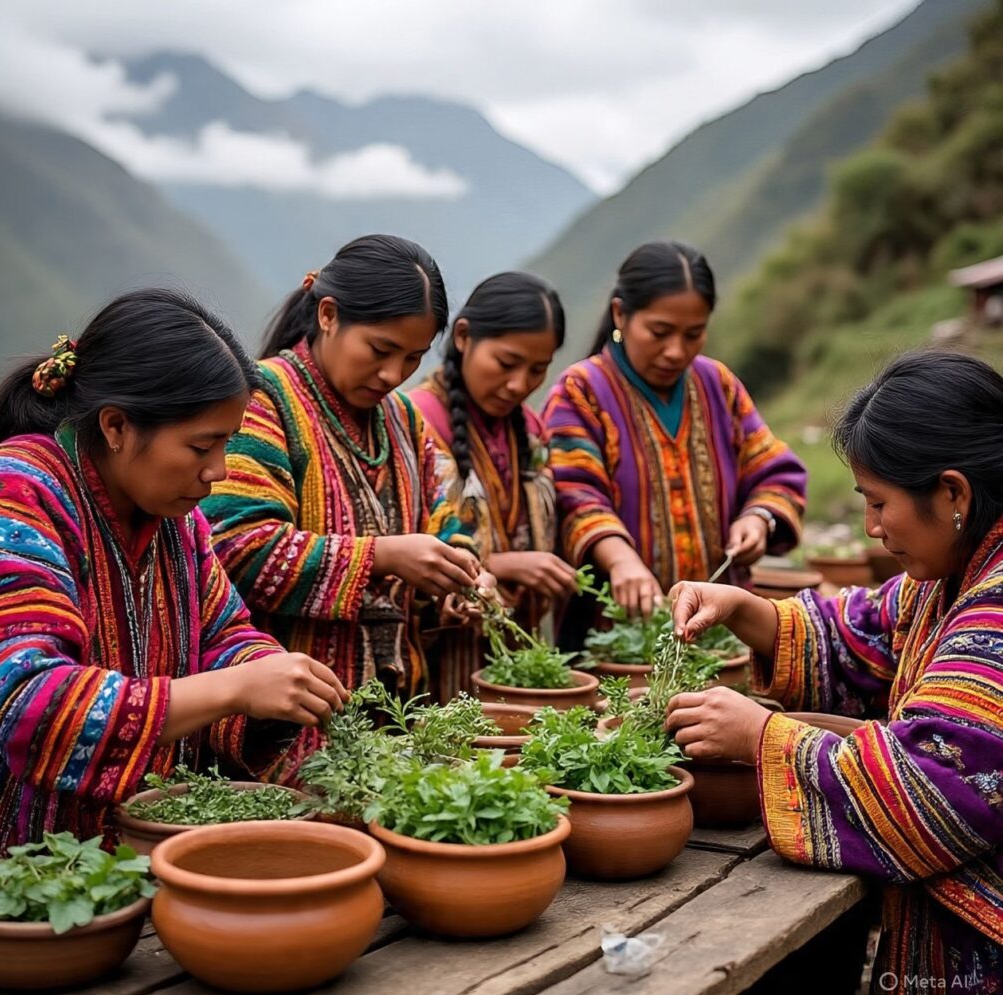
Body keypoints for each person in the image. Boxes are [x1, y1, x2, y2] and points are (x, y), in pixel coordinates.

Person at [666, 350, 1003, 995]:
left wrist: (761, 737)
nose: (871, 528)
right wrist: (745, 609)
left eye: (880, 503)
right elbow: (865, 636)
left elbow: (933, 784)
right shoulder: (950, 579)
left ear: (954, 494)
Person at [0, 291, 348, 853]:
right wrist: (233, 688)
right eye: (202, 445)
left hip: (146, 858)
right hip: (22, 872)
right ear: (116, 426)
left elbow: (223, 634)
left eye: (225, 444)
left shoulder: (177, 520)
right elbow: (28, 700)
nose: (218, 471)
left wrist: (272, 678)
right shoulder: (13, 492)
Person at [203, 235, 489, 778]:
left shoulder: (405, 422)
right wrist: (381, 557)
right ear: (329, 315)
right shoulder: (262, 399)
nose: (392, 374)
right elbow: (237, 548)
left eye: (413, 358)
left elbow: (447, 522)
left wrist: (462, 577)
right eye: (380, 350)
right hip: (281, 730)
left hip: (396, 722)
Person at [543, 241, 806, 625]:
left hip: (718, 625)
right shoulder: (580, 391)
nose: (675, 351)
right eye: (660, 332)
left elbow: (773, 468)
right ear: (620, 314)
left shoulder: (718, 384)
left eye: (693, 334)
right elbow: (574, 492)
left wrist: (759, 519)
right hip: (613, 630)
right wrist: (619, 559)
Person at [410, 271, 575, 698]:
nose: (520, 384)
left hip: (517, 659)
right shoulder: (417, 422)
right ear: (463, 336)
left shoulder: (530, 430)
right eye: (506, 363)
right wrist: (500, 565)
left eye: (537, 370)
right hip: (441, 665)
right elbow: (400, 541)